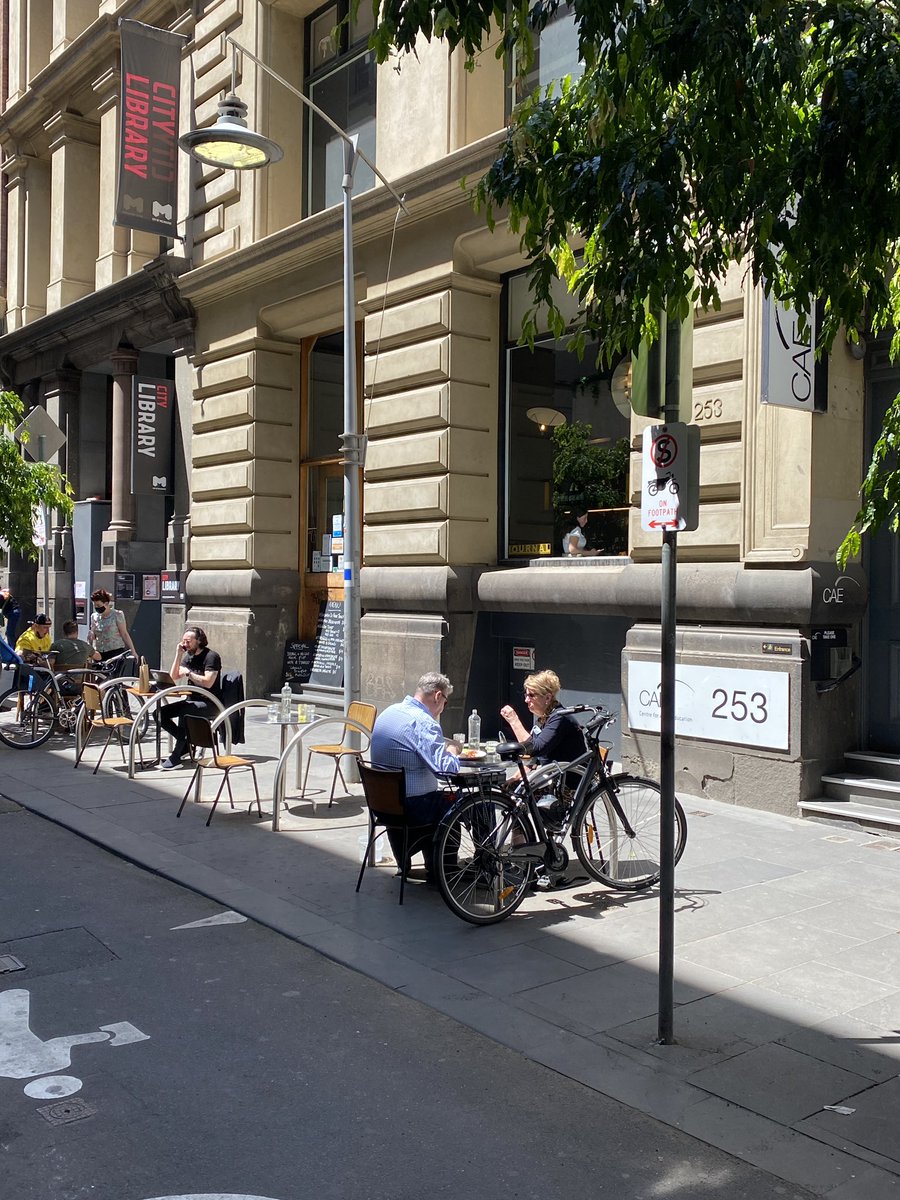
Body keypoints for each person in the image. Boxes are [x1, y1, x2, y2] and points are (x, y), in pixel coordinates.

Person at [369, 672, 461, 880]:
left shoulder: (390, 712)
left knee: (442, 799)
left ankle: (426, 863)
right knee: (465, 802)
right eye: (445, 702)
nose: (443, 709)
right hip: (412, 808)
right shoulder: (423, 722)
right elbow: (446, 770)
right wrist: (454, 750)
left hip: (383, 805)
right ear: (438, 696)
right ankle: (447, 869)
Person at [158, 626, 222, 770]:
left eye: (188, 641)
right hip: (191, 700)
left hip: (209, 702)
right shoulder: (189, 657)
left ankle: (176, 756)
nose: (185, 644)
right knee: (159, 714)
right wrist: (178, 654)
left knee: (184, 711)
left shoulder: (211, 656)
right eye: (184, 641)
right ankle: (185, 744)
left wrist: (189, 673)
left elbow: (208, 682)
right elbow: (173, 676)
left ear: (199, 641)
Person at [500, 669, 586, 766]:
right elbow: (534, 758)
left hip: (568, 778)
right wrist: (515, 778)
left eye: (531, 695)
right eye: (526, 695)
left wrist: (514, 720)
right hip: (551, 774)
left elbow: (534, 749)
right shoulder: (544, 717)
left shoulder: (559, 718)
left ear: (548, 698)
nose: (526, 700)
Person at [87, 589, 138, 662]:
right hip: (99, 653)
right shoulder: (94, 617)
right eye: (95, 605)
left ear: (106, 604)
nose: (97, 608)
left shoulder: (117, 615)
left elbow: (124, 633)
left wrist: (133, 651)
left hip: (115, 652)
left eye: (98, 605)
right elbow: (93, 636)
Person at [1, 587, 22, 655]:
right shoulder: (3, 593)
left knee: (9, 633)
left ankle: (12, 651)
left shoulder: (1, 594)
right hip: (14, 612)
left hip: (13, 612)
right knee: (9, 633)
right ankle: (12, 649)